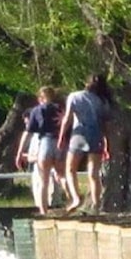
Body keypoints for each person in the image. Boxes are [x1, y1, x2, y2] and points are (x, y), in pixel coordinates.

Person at [57, 73, 113, 214]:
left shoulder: (75, 96)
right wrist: (106, 143)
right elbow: (105, 125)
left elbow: (67, 119)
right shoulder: (103, 101)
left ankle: (76, 198)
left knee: (70, 169)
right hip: (96, 136)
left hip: (79, 135)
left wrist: (61, 137)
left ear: (86, 83)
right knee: (93, 173)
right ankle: (96, 205)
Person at [15, 86, 70, 215]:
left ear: (41, 98)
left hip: (45, 143)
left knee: (43, 180)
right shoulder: (60, 109)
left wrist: (19, 153)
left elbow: (27, 133)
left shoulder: (36, 110)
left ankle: (43, 211)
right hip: (59, 143)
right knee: (61, 175)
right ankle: (73, 199)